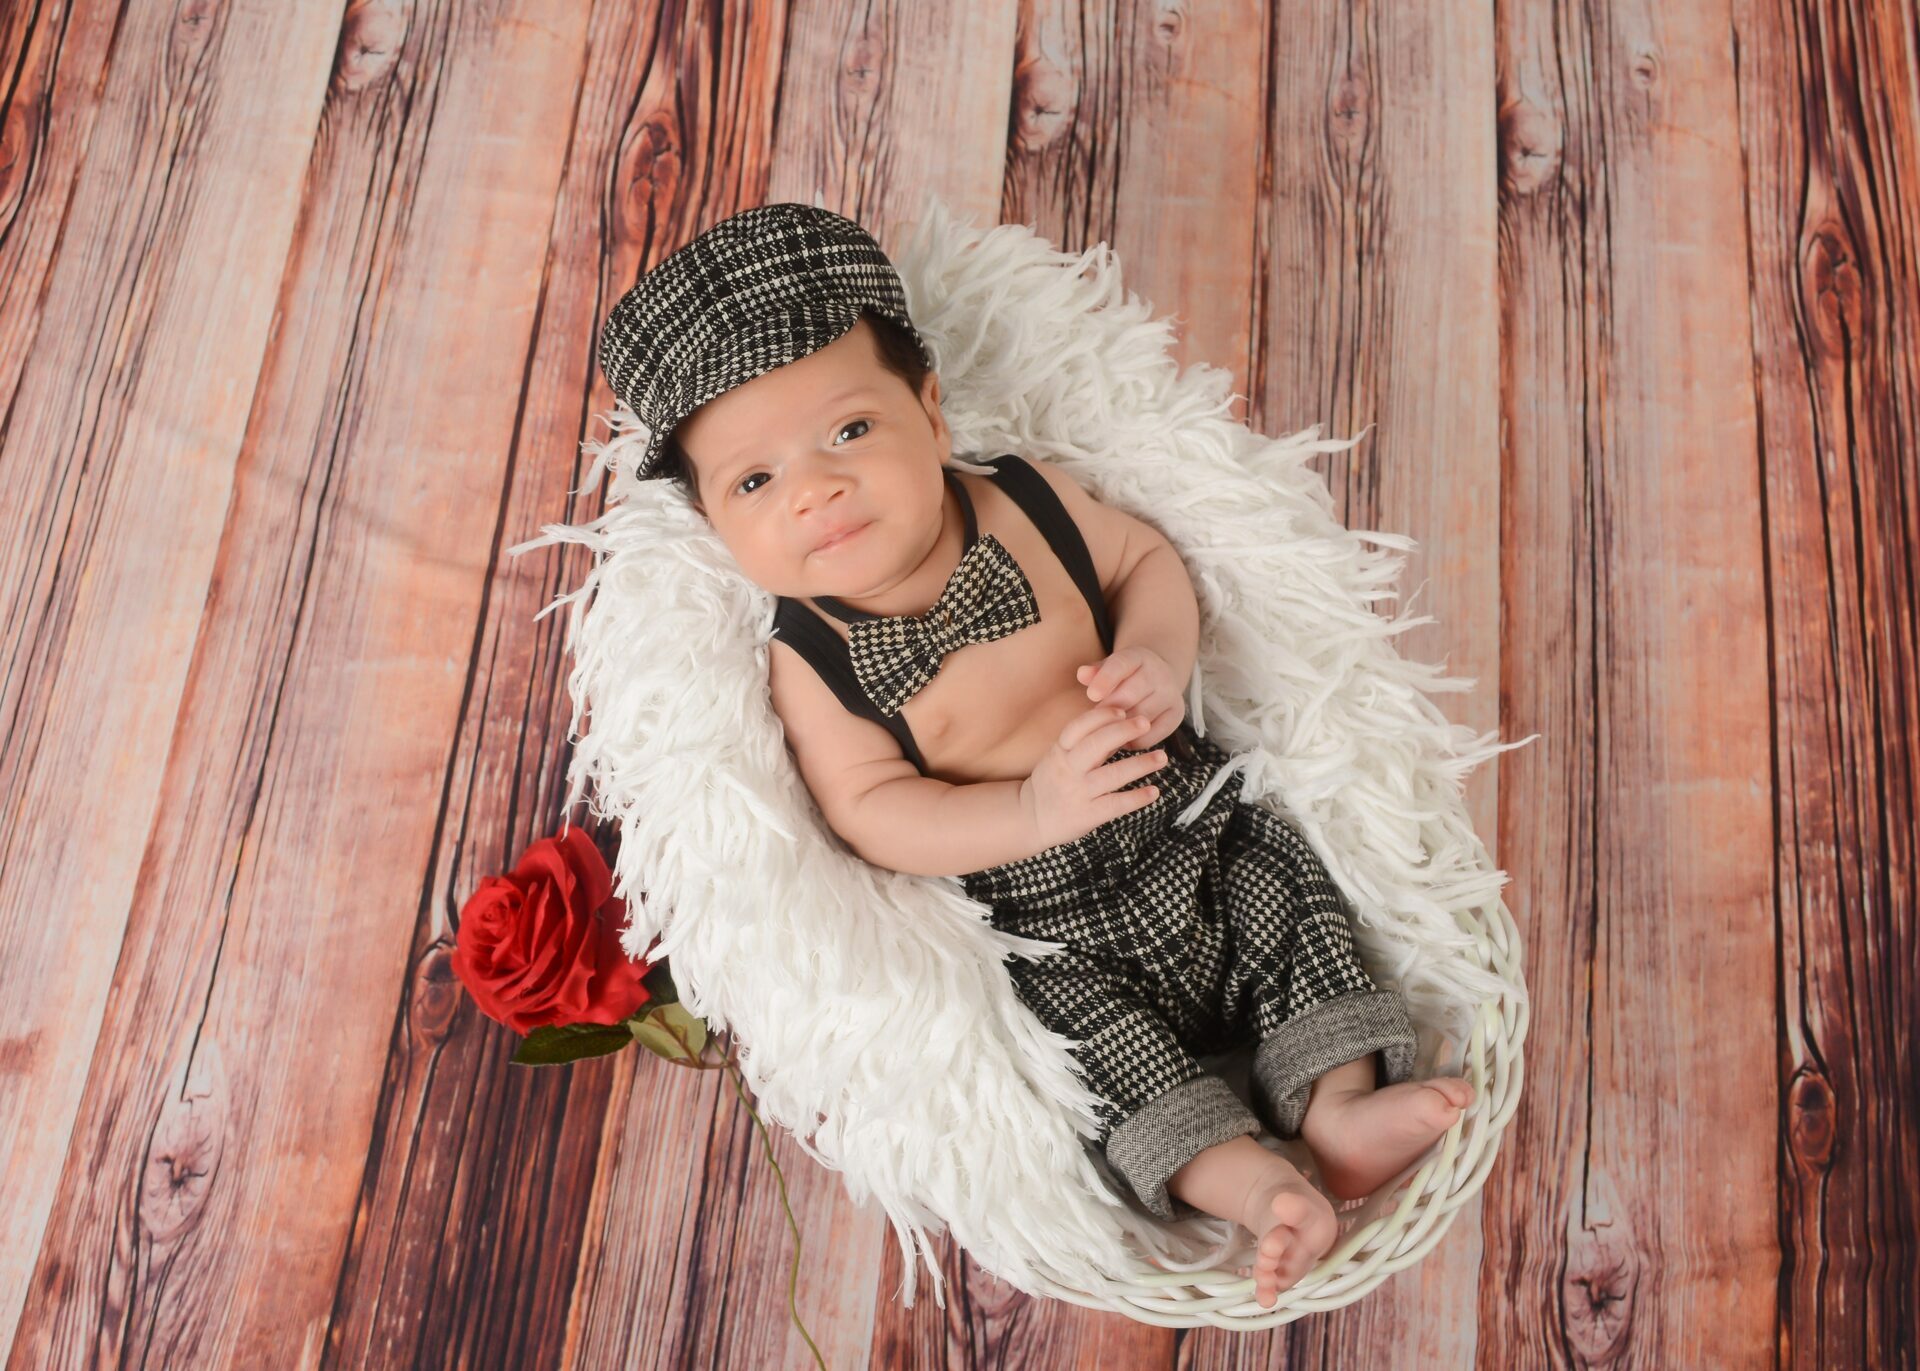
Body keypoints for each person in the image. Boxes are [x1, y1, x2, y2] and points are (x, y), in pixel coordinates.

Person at [597, 203, 1473, 1307]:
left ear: (930, 411)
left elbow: (1143, 561)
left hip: (1184, 820)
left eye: (849, 431)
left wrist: (1156, 656)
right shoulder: (811, 659)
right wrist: (1028, 811)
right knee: (1101, 1058)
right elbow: (871, 808)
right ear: (715, 525)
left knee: (1287, 887)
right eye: (754, 482)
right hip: (1047, 923)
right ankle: (1256, 1187)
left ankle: (1337, 1105)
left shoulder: (1029, 500)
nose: (814, 489)